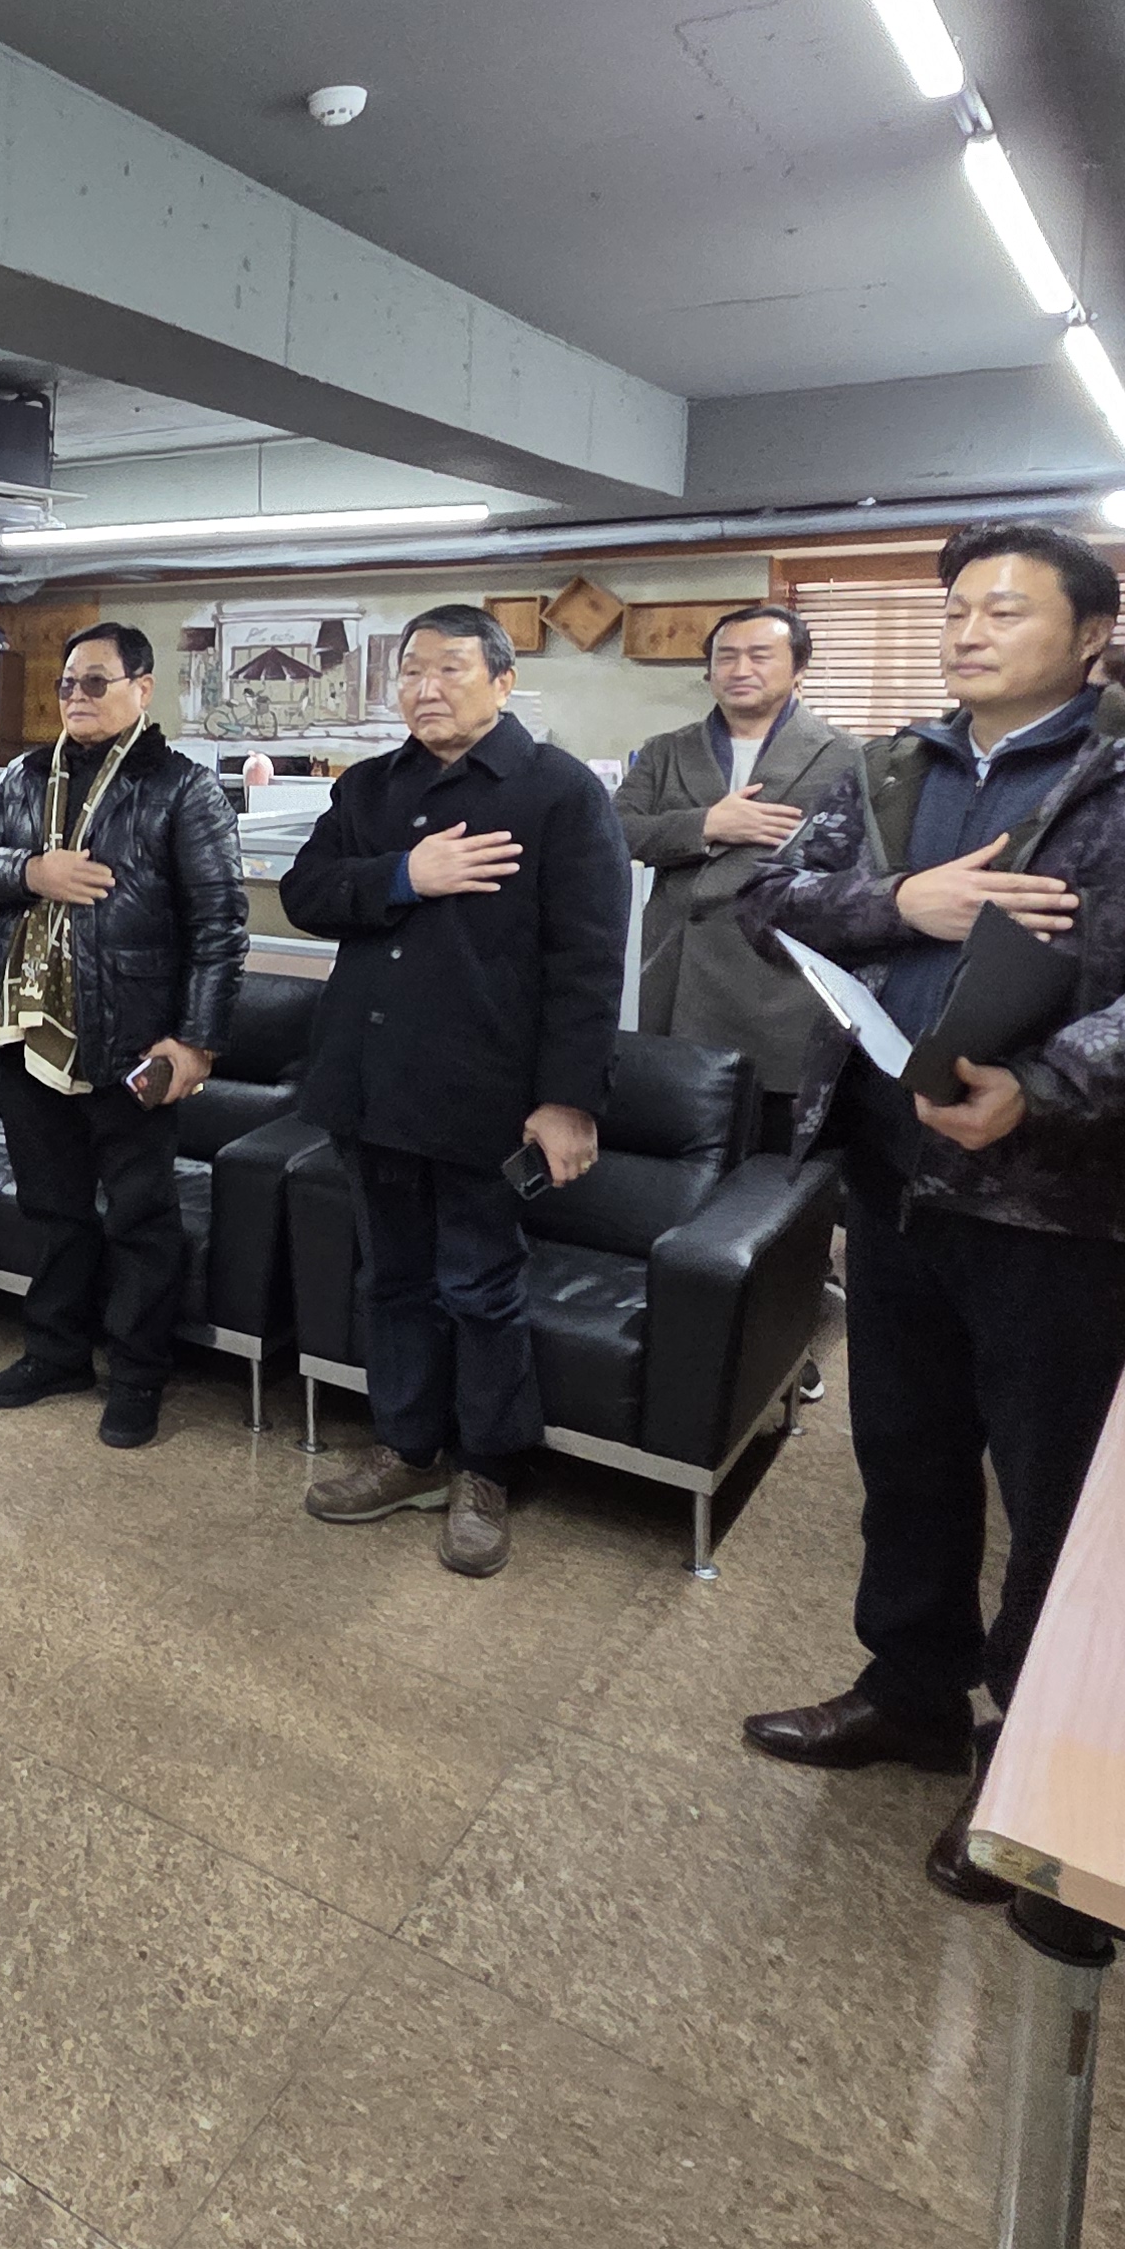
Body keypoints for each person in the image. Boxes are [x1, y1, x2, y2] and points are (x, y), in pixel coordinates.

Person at [737, 523, 1125, 1900]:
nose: (969, 632)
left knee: (1053, 1494)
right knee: (906, 1456)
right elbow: (767, 904)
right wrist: (900, 902)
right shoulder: (893, 767)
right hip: (895, 1176)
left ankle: (1029, 1756)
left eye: (1005, 610)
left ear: (1093, 637)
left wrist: (1043, 1087)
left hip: (1060, 1200)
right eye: (957, 611)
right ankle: (907, 1692)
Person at [285, 610, 627, 1573]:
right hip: (369, 1083)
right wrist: (405, 873)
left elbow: (589, 962)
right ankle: (407, 1451)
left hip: (486, 1093)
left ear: (504, 682)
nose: (425, 688)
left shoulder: (558, 792)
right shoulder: (368, 786)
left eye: (450, 669)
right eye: (411, 672)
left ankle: (487, 1468)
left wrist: (568, 1100)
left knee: (479, 1286)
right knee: (391, 1280)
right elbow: (308, 895)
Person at [0, 621, 246, 1450]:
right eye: (67, 683)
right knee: (53, 1207)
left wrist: (197, 1041)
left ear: (142, 689)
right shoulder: (25, 776)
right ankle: (56, 1353)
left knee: (141, 1217)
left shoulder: (183, 788)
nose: (76, 697)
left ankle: (139, 1374)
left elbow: (220, 924)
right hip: (27, 1026)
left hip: (131, 1037)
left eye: (95, 682)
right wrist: (28, 872)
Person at [612, 601, 865, 1144]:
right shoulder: (666, 751)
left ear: (799, 668)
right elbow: (614, 832)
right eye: (726, 657)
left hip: (782, 980)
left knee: (771, 1148)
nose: (740, 669)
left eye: (760, 655)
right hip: (679, 976)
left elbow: (861, 867)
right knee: (681, 1141)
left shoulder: (848, 755)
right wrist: (707, 824)